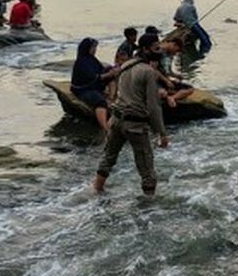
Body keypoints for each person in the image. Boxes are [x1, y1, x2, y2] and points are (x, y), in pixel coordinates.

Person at [93, 33, 169, 196]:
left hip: (116, 120)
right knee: (147, 169)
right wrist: (161, 133)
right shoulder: (147, 71)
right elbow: (153, 106)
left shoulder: (126, 65)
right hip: (135, 125)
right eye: (156, 47)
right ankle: (149, 209)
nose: (159, 50)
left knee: (108, 158)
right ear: (145, 49)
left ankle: (96, 191)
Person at [71, 37, 116, 132]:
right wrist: (108, 74)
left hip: (94, 85)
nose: (95, 50)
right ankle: (105, 128)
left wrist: (112, 71)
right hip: (84, 89)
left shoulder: (92, 59)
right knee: (100, 102)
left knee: (110, 73)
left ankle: (112, 98)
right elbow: (93, 77)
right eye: (93, 48)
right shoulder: (81, 62)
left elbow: (101, 70)